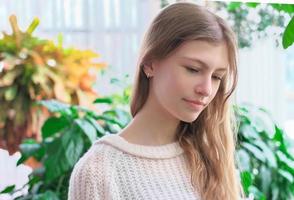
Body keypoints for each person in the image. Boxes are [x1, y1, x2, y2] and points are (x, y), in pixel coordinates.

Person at [68, 2, 245, 200]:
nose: (206, 89)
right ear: (150, 64)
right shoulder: (99, 171)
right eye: (193, 69)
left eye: (216, 77)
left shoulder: (210, 159)